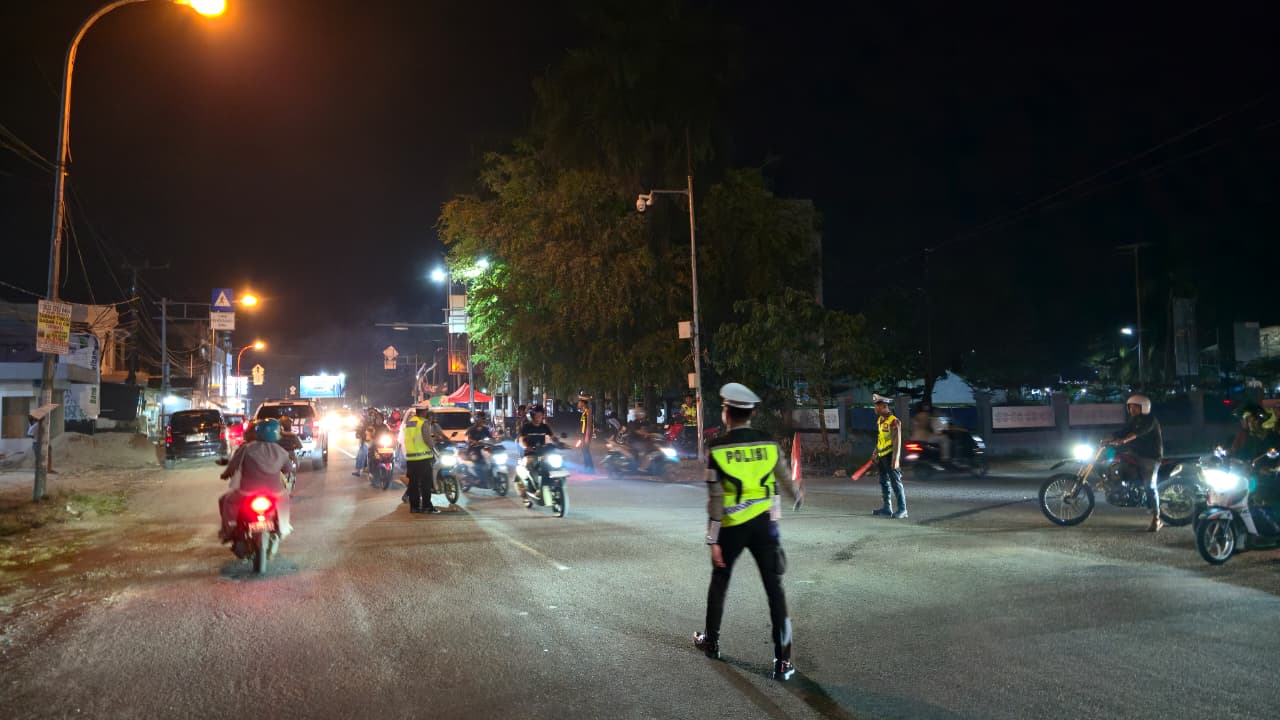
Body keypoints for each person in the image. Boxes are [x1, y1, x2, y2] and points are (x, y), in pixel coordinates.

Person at [693, 382, 802, 681]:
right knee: (775, 590)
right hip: (765, 526)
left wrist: (713, 539)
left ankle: (711, 642)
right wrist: (796, 495)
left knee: (720, 583)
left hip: (732, 528)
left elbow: (716, 499)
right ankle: (783, 662)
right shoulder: (769, 443)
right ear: (751, 413)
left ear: (727, 413)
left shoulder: (717, 448)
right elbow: (784, 475)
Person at [218, 419, 293, 542]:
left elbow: (233, 466)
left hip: (247, 492)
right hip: (275, 492)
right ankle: (284, 527)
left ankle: (228, 531)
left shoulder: (246, 449)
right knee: (285, 500)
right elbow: (288, 469)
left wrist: (225, 475)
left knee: (226, 501)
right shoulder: (282, 452)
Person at [1109, 393, 1164, 532]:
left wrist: (1123, 440)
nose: (1132, 409)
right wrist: (1108, 438)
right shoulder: (1133, 420)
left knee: (1149, 486)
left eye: (1135, 407)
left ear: (1144, 407)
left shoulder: (1150, 420)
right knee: (1116, 463)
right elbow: (1123, 431)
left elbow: (1137, 433)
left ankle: (1156, 518)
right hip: (1135, 453)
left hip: (1150, 456)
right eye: (1130, 407)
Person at [868, 394, 908, 518]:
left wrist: (895, 460)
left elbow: (897, 442)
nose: (875, 408)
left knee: (895, 482)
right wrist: (875, 452)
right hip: (882, 456)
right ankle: (887, 508)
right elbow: (881, 438)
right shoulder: (880, 420)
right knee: (883, 481)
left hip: (891, 455)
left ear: (883, 406)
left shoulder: (894, 421)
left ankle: (902, 509)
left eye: (876, 406)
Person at [401, 408, 440, 514]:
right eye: (426, 411)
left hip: (411, 458)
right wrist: (435, 450)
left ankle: (414, 507)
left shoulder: (409, 422)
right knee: (426, 484)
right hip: (423, 458)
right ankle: (427, 506)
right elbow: (427, 439)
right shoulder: (423, 422)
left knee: (413, 484)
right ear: (423, 412)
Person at [517, 405, 561, 495]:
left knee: (555, 465)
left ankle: (553, 485)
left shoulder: (545, 426)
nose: (538, 417)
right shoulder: (526, 427)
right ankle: (537, 486)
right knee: (530, 465)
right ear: (532, 416)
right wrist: (526, 446)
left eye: (540, 415)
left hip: (542, 452)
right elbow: (521, 439)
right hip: (530, 453)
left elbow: (553, 437)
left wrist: (559, 443)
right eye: (536, 415)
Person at [576, 395, 594, 473]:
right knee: (584, 451)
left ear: (583, 403)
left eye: (579, 402)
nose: (578, 404)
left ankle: (589, 469)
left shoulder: (588, 411)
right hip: (583, 434)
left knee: (586, 451)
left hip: (586, 435)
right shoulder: (584, 412)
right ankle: (587, 468)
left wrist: (587, 436)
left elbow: (589, 425)